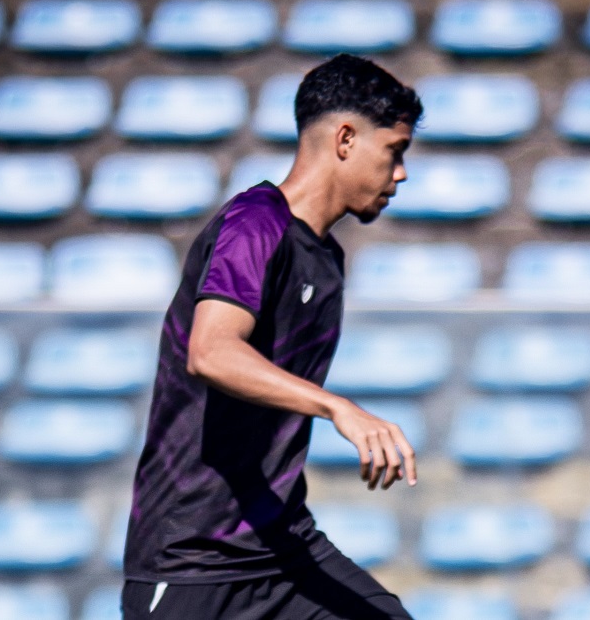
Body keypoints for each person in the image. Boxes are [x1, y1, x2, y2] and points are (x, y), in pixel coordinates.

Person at [122, 54, 424, 620]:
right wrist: (339, 409)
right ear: (344, 139)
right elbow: (211, 352)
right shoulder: (254, 223)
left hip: (281, 550)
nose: (401, 173)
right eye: (395, 151)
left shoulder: (327, 260)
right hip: (192, 563)